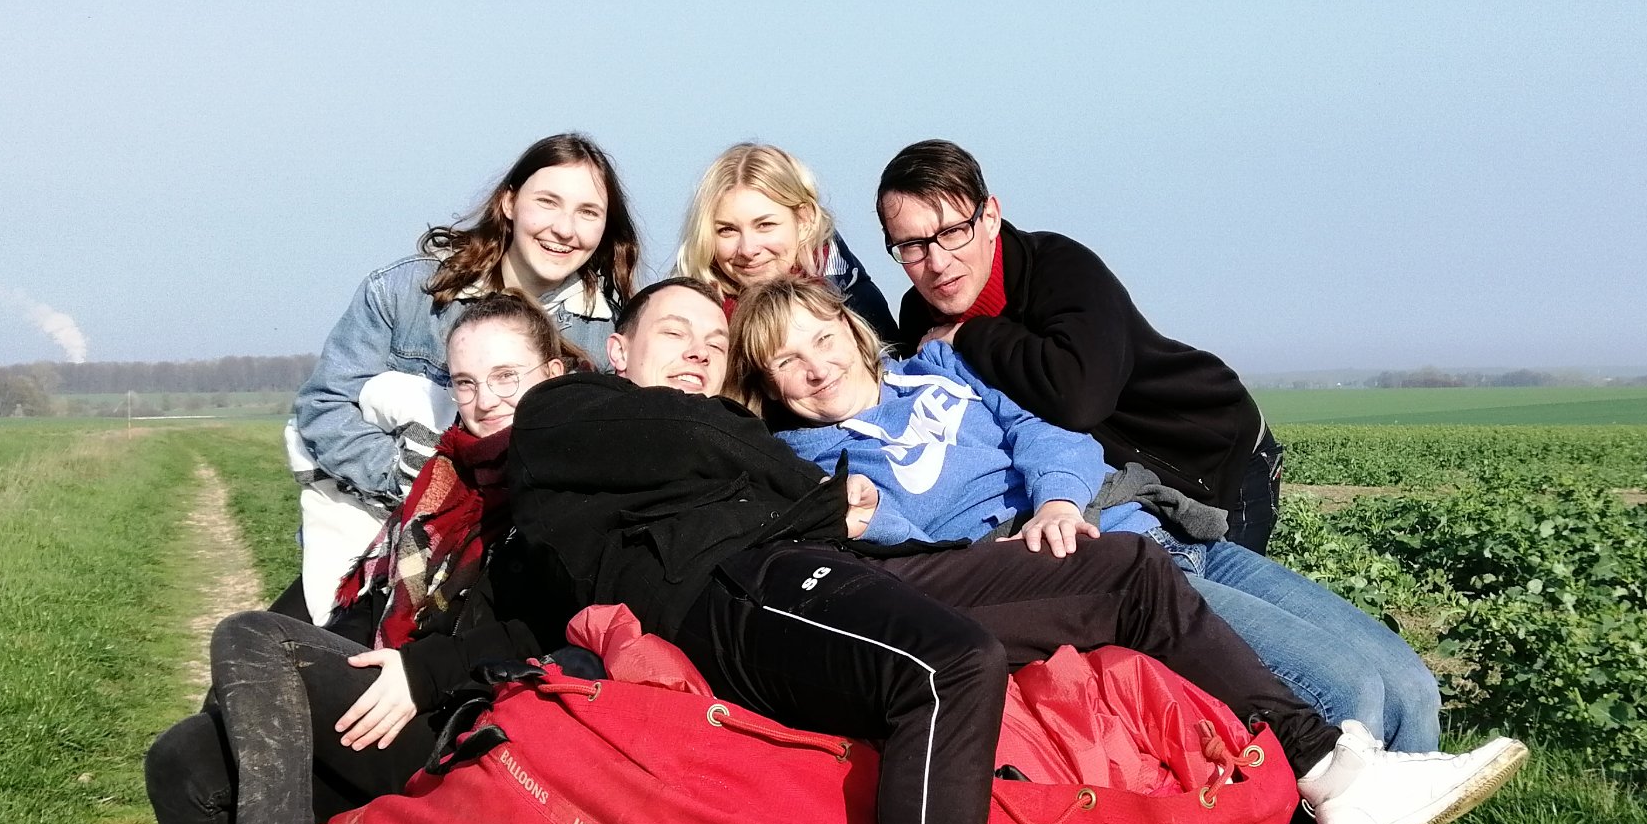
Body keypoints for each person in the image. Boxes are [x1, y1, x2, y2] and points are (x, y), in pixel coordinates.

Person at [498, 278, 1527, 824]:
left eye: (707, 343)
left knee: (1124, 575)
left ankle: (1329, 769)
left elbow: (992, 448)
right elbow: (624, 519)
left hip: (836, 564)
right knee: (949, 665)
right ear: (613, 349)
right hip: (747, 586)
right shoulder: (578, 409)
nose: (692, 350)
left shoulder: (750, 431)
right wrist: (816, 498)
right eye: (672, 331)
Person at [731, 278, 1516, 824]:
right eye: (785, 361)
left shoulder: (941, 376)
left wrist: (1059, 499)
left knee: (1409, 681)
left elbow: (1053, 433)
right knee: (1349, 693)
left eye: (822, 339)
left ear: (853, 332)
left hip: (1134, 521)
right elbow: (900, 559)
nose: (815, 367)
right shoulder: (809, 462)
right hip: (1068, 571)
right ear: (767, 383)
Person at [90, 298, 573, 824]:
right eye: (467, 382)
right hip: (391, 693)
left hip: (462, 724)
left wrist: (421, 671)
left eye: (508, 376)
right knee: (183, 755)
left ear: (557, 371)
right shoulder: (449, 474)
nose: (485, 400)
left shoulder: (564, 477)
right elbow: (372, 604)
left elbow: (547, 622)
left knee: (252, 638)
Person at [285, 132, 640, 622]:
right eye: (548, 202)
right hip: (371, 543)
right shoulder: (410, 292)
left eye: (588, 212)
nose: (565, 228)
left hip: (503, 566)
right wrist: (416, 479)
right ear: (510, 202)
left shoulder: (611, 337)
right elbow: (323, 405)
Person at [878, 139, 1285, 551]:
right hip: (1121, 490)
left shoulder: (1061, 268)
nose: (937, 262)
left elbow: (1080, 398)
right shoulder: (919, 317)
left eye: (952, 232)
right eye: (912, 245)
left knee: (1229, 612)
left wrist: (968, 333)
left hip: (1208, 458)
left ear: (990, 218)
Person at [673, 141, 901, 345]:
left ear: (804, 219)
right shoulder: (682, 318)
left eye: (765, 225)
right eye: (727, 230)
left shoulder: (856, 308)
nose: (748, 249)